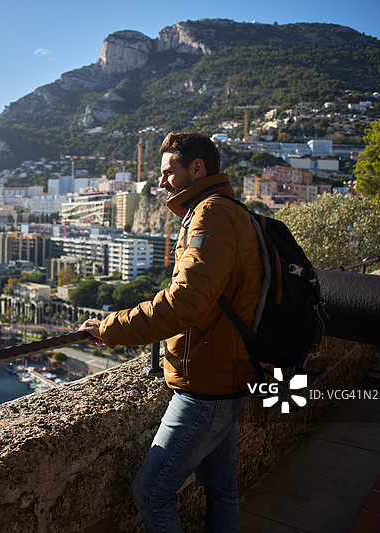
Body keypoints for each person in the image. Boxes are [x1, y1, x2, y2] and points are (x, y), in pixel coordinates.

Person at [80, 131, 263, 533]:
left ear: (196, 168)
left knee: (151, 492)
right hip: (230, 372)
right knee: (221, 487)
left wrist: (110, 328)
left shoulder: (211, 214)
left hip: (206, 386)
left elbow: (185, 304)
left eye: (168, 172)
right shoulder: (233, 209)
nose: (161, 182)